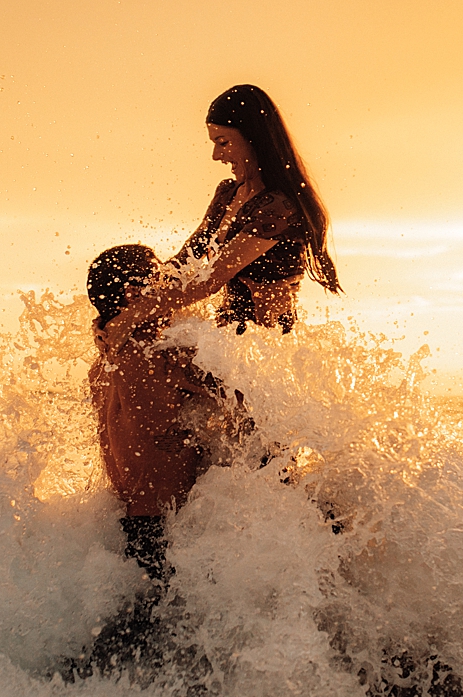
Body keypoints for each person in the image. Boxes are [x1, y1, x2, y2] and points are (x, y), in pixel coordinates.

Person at [95, 84, 341, 354]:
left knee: (140, 356)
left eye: (223, 143)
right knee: (131, 353)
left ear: (255, 139)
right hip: (224, 343)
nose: (216, 155)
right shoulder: (227, 194)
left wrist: (133, 316)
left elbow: (210, 281)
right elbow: (181, 265)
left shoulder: (279, 208)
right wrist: (113, 314)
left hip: (264, 358)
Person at [85, 244, 214, 581]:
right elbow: (255, 398)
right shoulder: (163, 358)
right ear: (133, 294)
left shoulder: (101, 367)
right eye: (161, 281)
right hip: (167, 533)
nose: (172, 289)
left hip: (132, 529)